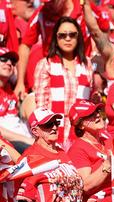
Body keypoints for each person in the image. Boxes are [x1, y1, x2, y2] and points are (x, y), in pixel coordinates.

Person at [20, 108, 84, 202]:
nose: (54, 127)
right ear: (35, 131)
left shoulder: (61, 151)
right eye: (48, 125)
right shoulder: (30, 158)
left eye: (56, 122)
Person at [33, 17, 92, 146]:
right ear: (56, 38)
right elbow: (41, 108)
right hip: (54, 132)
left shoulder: (87, 64)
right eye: (62, 35)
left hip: (80, 133)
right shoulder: (45, 64)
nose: (68, 38)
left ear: (78, 37)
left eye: (72, 34)